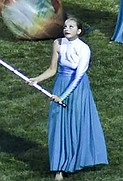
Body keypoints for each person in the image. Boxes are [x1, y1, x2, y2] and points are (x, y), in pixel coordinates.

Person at [28, 16, 108, 179]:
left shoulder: (84, 49)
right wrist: (36, 79)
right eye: (65, 26)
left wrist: (63, 96)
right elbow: (52, 69)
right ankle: (59, 167)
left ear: (78, 31)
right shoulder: (57, 43)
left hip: (77, 89)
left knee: (75, 123)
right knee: (59, 124)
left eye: (71, 27)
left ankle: (74, 160)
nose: (66, 29)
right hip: (60, 84)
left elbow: (78, 77)